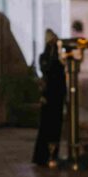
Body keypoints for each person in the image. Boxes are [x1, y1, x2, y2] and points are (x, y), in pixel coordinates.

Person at [33, 29, 67, 166]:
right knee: (48, 127)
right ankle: (45, 156)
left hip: (54, 96)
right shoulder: (47, 58)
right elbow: (48, 71)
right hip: (50, 96)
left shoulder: (55, 58)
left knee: (53, 128)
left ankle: (51, 155)